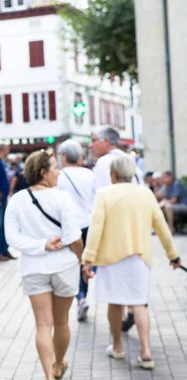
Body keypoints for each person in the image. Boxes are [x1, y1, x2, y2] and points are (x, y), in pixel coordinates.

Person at [82, 155, 181, 371]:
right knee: (139, 303)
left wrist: (88, 258)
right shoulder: (146, 194)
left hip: (111, 259)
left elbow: (95, 228)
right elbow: (162, 227)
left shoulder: (104, 195)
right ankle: (146, 352)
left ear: (113, 175)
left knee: (115, 303)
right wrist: (173, 255)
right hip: (138, 258)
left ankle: (117, 347)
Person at [5, 150, 83, 380]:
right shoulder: (62, 198)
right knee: (61, 322)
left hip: (33, 267)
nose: (59, 172)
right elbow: (73, 238)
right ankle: (58, 363)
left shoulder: (17, 200)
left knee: (42, 325)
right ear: (43, 172)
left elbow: (12, 238)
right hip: (64, 266)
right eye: (55, 168)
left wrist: (41, 245)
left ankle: (49, 375)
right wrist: (82, 260)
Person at [89, 127, 144, 331]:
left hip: (115, 232)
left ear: (106, 141)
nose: (91, 144)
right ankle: (133, 318)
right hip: (137, 229)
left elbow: (102, 202)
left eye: (94, 140)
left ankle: (121, 325)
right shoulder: (128, 160)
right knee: (134, 282)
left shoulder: (105, 163)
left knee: (116, 285)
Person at [57, 139, 96, 322]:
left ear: (64, 156)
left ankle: (79, 297)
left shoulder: (59, 176)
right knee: (85, 262)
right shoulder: (90, 174)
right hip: (89, 224)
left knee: (73, 263)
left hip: (70, 226)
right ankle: (83, 297)